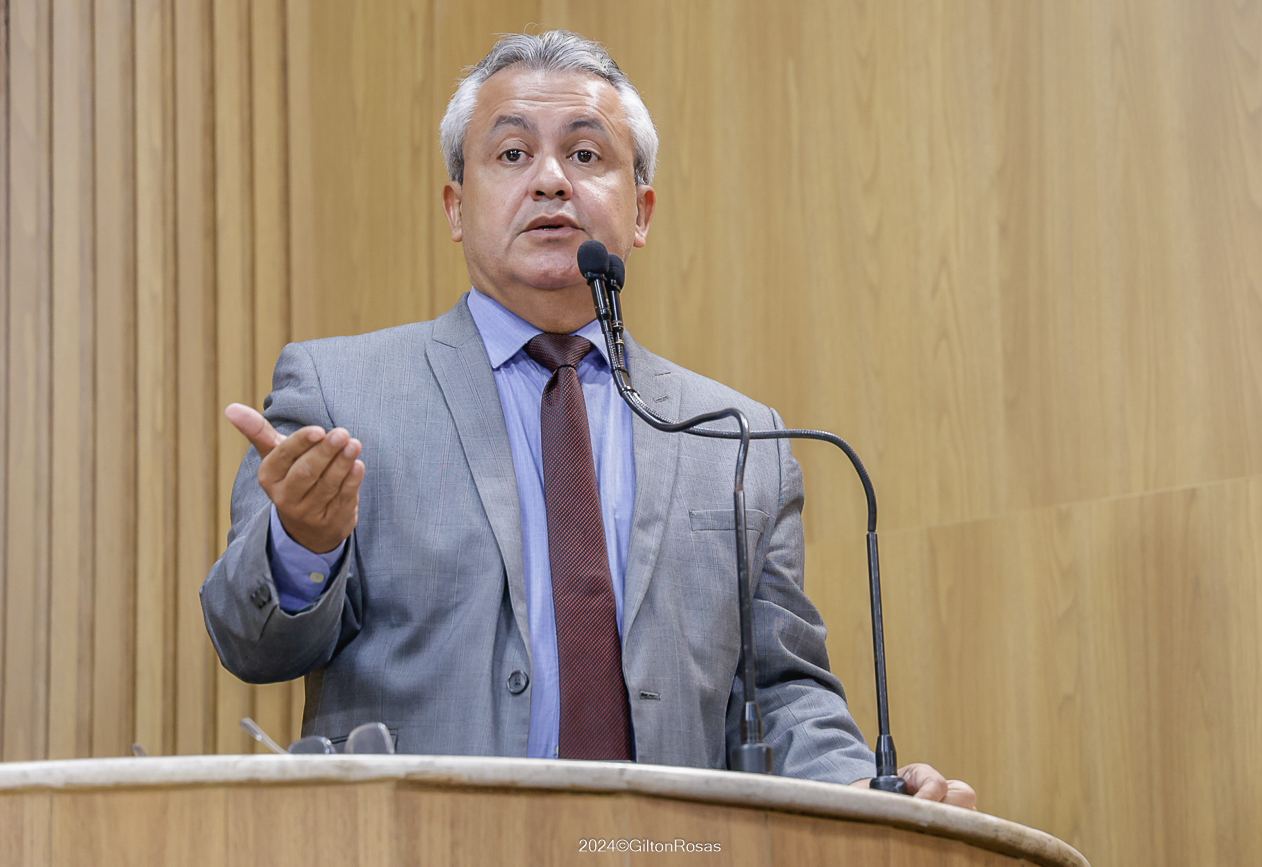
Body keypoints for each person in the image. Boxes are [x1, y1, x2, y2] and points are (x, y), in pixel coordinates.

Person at [202, 30, 975, 808]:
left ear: (641, 212)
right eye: (512, 154)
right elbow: (248, 644)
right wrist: (302, 542)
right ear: (456, 208)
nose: (550, 181)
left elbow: (781, 690)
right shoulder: (342, 393)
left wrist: (865, 788)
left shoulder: (740, 441)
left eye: (585, 154)